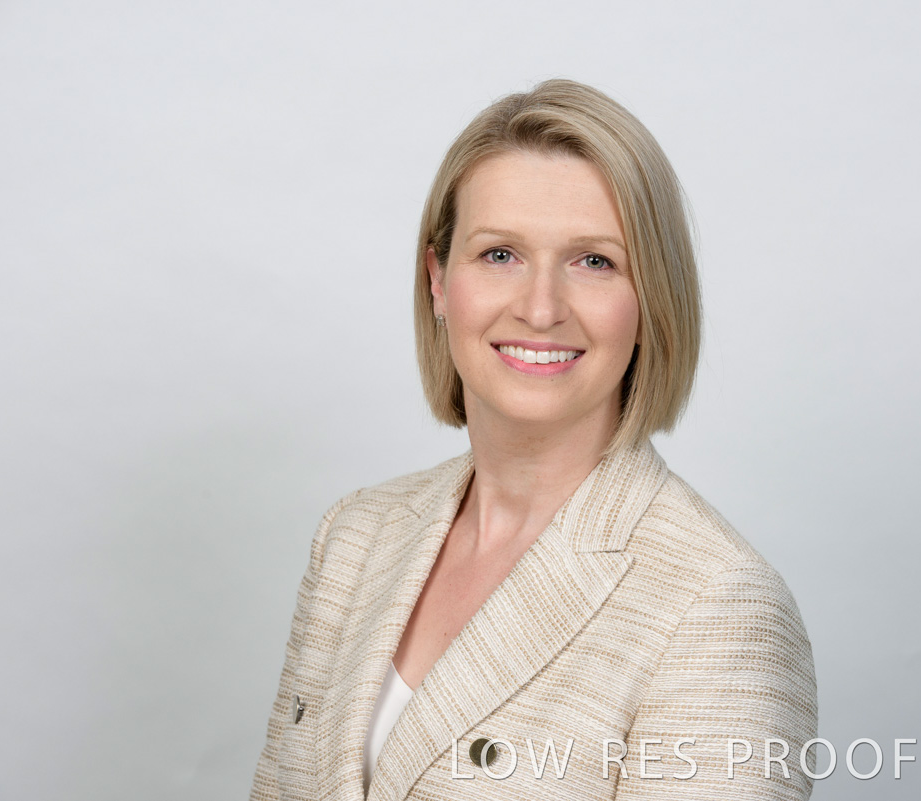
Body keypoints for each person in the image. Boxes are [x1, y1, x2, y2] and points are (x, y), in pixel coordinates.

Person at [250, 78, 817, 801]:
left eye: (594, 261)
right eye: (499, 255)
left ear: (652, 300)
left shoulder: (718, 605)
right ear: (437, 280)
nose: (541, 308)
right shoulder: (354, 539)